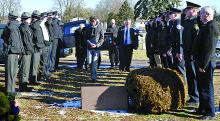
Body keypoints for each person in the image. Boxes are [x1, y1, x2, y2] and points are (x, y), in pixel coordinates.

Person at [193, 6, 219, 120]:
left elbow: (209, 49)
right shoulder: (206, 25)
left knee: (207, 87)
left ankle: (210, 112)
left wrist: (203, 65)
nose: (200, 16)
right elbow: (200, 22)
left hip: (206, 63)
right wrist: (198, 13)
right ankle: (202, 108)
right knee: (201, 86)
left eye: (201, 14)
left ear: (207, 15)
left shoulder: (211, 27)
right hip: (202, 62)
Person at [182, 1, 201, 105]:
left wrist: (193, 53)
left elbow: (196, 41)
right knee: (189, 75)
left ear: (194, 11)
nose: (186, 12)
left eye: (188, 10)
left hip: (192, 55)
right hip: (187, 53)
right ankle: (192, 96)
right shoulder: (188, 22)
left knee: (193, 76)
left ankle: (196, 97)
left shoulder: (196, 23)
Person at [2, 11, 24, 95]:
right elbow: (7, 39)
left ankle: (12, 90)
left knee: (13, 72)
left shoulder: (14, 26)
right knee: (10, 72)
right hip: (11, 52)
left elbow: (17, 41)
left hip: (14, 52)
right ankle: (9, 91)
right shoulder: (11, 27)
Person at [84, 16, 104, 82]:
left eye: (94, 21)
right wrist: (89, 43)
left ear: (96, 21)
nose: (93, 23)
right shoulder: (87, 27)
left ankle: (94, 77)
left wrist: (97, 45)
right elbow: (85, 37)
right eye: (91, 21)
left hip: (97, 48)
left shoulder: (100, 27)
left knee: (94, 62)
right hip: (89, 47)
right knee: (89, 62)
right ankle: (92, 73)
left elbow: (102, 38)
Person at [19, 12, 34, 92]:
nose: (30, 19)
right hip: (25, 51)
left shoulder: (26, 27)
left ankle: (24, 85)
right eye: (29, 18)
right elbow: (26, 41)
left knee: (26, 69)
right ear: (27, 19)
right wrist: (30, 49)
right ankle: (22, 87)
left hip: (27, 51)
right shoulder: (23, 28)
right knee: (24, 70)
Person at [168, 8, 185, 76]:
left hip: (178, 50)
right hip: (175, 49)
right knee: (176, 69)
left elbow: (180, 39)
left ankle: (184, 85)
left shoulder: (178, 23)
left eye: (170, 14)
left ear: (175, 15)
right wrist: (171, 49)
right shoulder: (174, 23)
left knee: (180, 69)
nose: (169, 16)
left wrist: (180, 52)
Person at [30, 10, 46, 85]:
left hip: (37, 47)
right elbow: (37, 38)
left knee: (36, 65)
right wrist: (41, 47)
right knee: (34, 65)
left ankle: (35, 79)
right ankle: (33, 80)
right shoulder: (35, 25)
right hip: (36, 48)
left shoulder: (35, 25)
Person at [39, 12, 52, 80]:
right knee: (43, 61)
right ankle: (43, 74)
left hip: (47, 43)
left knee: (45, 60)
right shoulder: (40, 24)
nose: (47, 18)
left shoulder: (45, 24)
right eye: (46, 17)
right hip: (43, 44)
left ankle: (45, 73)